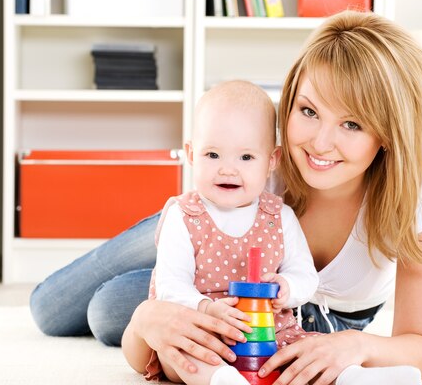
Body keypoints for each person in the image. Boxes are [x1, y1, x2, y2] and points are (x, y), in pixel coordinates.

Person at [30, 10, 422, 384]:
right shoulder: (262, 156)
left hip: (309, 316)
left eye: (352, 125)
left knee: (107, 311)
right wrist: (150, 315)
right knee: (54, 311)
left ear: (388, 135)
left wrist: (356, 345)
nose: (319, 144)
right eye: (308, 111)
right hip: (208, 249)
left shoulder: (416, 183)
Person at [127, 80, 318, 384]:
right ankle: (223, 380)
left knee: (310, 355)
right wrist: (206, 309)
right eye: (213, 155)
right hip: (202, 334)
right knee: (188, 358)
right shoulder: (183, 215)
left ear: (271, 161)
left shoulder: (279, 216)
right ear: (191, 154)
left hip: (270, 336)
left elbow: (306, 275)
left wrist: (287, 287)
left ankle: (354, 378)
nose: (227, 169)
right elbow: (169, 285)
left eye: (245, 157)